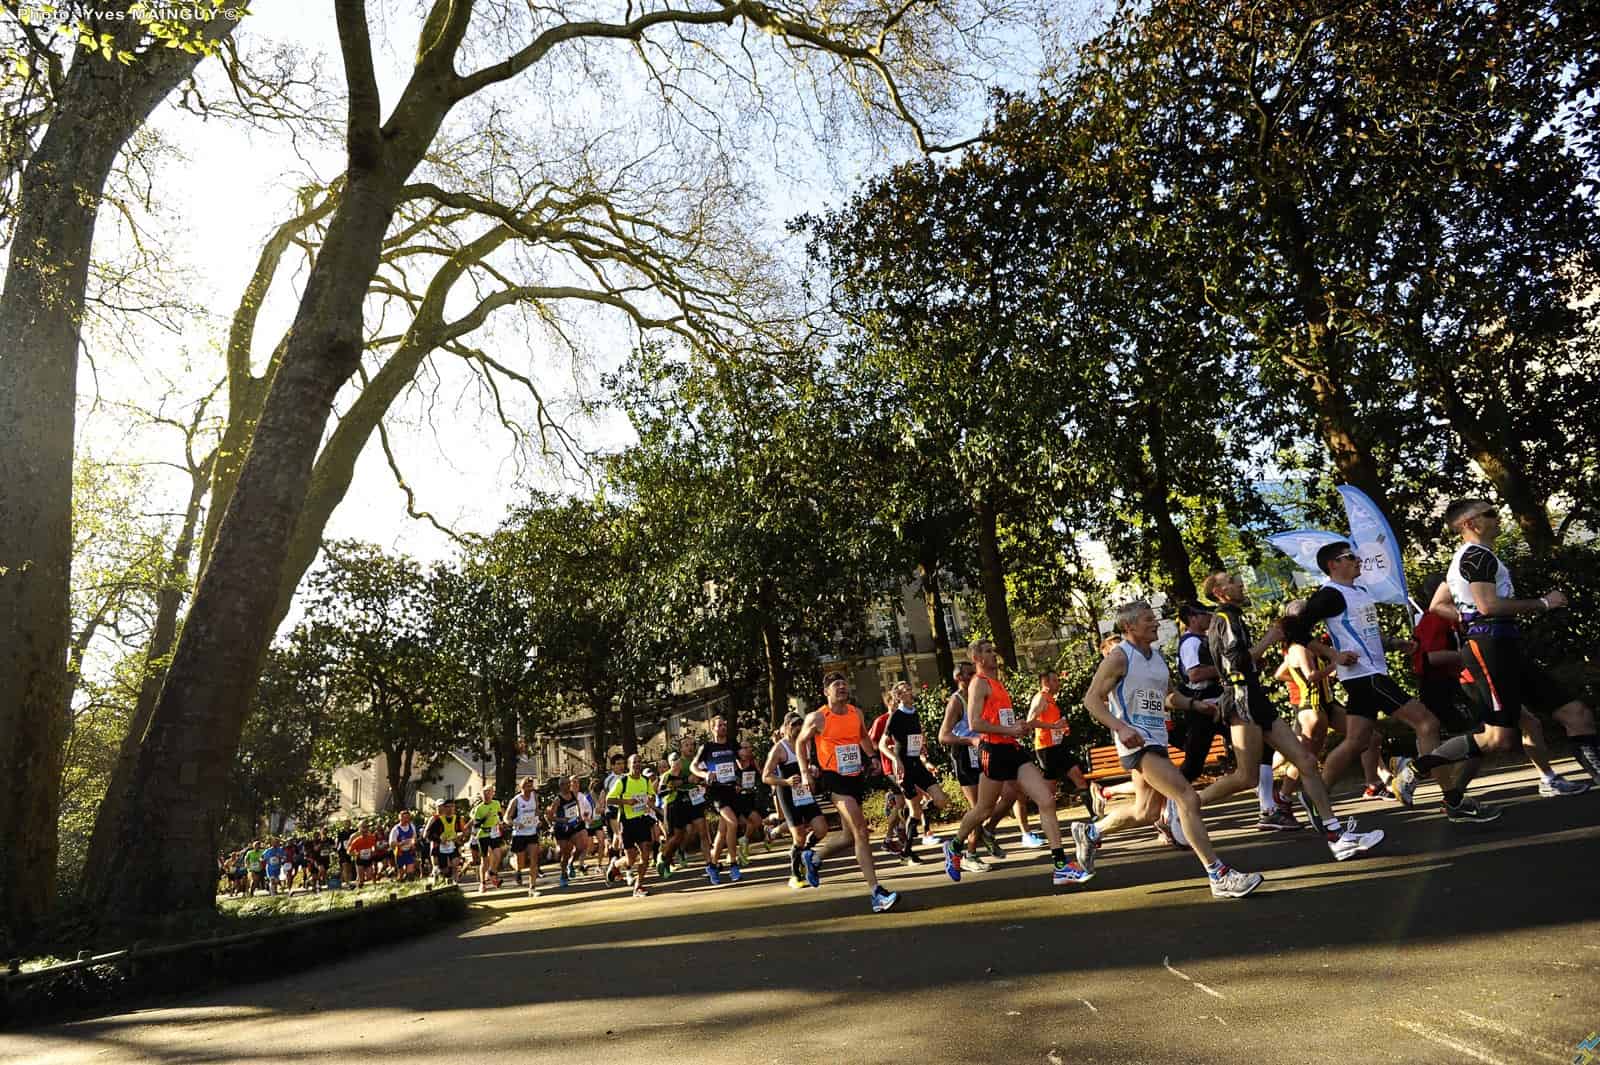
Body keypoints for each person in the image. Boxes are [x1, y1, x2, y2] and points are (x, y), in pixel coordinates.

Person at [1407, 500, 1600, 801]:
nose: (1498, 518)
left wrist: (1468, 617)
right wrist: (1543, 603)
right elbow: (1488, 606)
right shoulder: (1476, 557)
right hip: (1490, 649)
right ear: (1470, 524)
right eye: (1490, 514)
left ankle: (1564, 778)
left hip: (1503, 645)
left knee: (1576, 714)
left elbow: (1437, 605)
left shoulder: (1469, 558)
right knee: (1498, 738)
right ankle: (1417, 768)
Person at [1072, 600, 1263, 898]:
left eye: (1154, 618)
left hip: (1156, 739)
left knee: (1146, 812)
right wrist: (1122, 728)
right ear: (1129, 626)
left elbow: (1169, 697)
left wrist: (1196, 705)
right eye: (1148, 619)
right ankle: (1218, 874)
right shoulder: (1119, 657)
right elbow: (1091, 700)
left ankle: (1090, 832)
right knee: (1186, 797)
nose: (1155, 623)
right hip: (1137, 742)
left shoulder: (1157, 658)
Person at [1192, 571, 1384, 861]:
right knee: (1247, 777)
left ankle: (1335, 835)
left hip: (1255, 697)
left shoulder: (1233, 617)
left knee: (1306, 760)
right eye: (1232, 580)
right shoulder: (1225, 619)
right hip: (1241, 699)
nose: (1241, 583)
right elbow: (1238, 665)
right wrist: (1271, 638)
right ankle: (1186, 805)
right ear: (1219, 592)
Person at [1299, 542, 1493, 823]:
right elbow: (1294, 629)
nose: (1358, 560)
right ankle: (1451, 799)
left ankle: (1313, 795)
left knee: (1356, 741)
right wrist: (1333, 655)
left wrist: (1394, 643)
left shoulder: (1358, 591)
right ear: (1333, 564)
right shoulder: (1330, 595)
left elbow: (1363, 634)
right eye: (1350, 557)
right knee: (1427, 723)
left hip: (1368, 674)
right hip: (1367, 676)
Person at [1416, 570, 1589, 799]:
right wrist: (1468, 653)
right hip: (1469, 678)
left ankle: (1546, 778)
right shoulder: (1435, 619)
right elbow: (1428, 657)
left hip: (1478, 673)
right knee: (1494, 738)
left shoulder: (1458, 612)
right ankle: (1421, 773)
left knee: (1511, 731)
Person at [941, 640, 1088, 888]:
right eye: (987, 651)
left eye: (993, 650)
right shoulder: (979, 683)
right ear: (977, 657)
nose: (993, 654)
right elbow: (975, 723)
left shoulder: (997, 683)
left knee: (1046, 799)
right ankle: (954, 846)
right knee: (984, 809)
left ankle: (1061, 867)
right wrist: (1008, 729)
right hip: (993, 751)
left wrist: (1019, 726)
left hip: (1012, 748)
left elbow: (1000, 719)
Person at [797, 672, 900, 912]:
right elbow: (801, 742)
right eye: (836, 685)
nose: (842, 687)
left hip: (854, 777)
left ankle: (813, 858)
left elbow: (863, 736)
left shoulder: (856, 713)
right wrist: (804, 772)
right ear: (826, 692)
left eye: (844, 684)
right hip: (833, 780)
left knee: (849, 836)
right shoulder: (818, 717)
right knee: (861, 831)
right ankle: (876, 893)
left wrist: (872, 757)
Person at [935, 661, 1000, 870]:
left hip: (984, 751)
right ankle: (969, 855)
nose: (974, 676)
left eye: (975, 673)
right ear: (959, 678)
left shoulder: (979, 695)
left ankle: (987, 833)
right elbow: (943, 736)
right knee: (978, 808)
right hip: (964, 755)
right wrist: (969, 740)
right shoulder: (956, 701)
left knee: (1003, 797)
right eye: (970, 674)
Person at [1025, 668, 1095, 832]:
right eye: (1055, 680)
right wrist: (1053, 726)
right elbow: (1030, 721)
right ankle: (1047, 824)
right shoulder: (1040, 698)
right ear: (1046, 682)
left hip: (1058, 746)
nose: (1059, 683)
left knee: (1078, 776)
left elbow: (1051, 723)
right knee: (1049, 790)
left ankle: (1094, 816)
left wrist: (1061, 729)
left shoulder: (1051, 699)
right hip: (1046, 748)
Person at [764, 712, 829, 889]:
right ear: (785, 727)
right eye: (793, 725)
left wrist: (812, 770)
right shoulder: (779, 748)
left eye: (800, 724)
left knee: (821, 829)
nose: (798, 728)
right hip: (787, 794)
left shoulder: (806, 744)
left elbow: (808, 766)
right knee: (798, 836)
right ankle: (795, 874)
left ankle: (805, 853)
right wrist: (785, 781)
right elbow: (765, 776)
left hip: (805, 793)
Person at [692, 716, 745, 884]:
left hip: (731, 790)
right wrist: (705, 774)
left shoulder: (732, 744)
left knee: (722, 832)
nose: (723, 727)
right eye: (720, 725)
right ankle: (733, 864)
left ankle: (713, 865)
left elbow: (740, 765)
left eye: (725, 725)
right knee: (733, 823)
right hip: (716, 792)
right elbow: (694, 766)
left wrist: (738, 776)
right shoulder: (707, 747)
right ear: (712, 728)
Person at [657, 740, 713, 878]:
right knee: (677, 837)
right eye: (687, 745)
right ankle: (664, 857)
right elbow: (665, 787)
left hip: (695, 800)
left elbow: (703, 779)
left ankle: (710, 864)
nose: (690, 747)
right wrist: (687, 780)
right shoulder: (679, 764)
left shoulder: (698, 763)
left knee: (703, 832)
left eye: (692, 745)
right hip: (679, 802)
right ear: (681, 748)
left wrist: (704, 783)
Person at [607, 753, 658, 898]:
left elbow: (652, 795)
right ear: (629, 765)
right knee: (631, 859)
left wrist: (651, 798)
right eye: (633, 762)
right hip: (627, 822)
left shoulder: (645, 780)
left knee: (646, 854)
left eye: (638, 762)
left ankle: (638, 886)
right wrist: (626, 802)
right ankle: (615, 865)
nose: (636, 764)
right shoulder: (622, 781)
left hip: (642, 820)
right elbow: (609, 800)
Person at [546, 776, 594, 888]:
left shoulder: (573, 795)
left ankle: (571, 864)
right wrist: (561, 820)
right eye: (564, 784)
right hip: (562, 828)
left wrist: (579, 817)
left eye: (568, 783)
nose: (567, 786)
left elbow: (576, 806)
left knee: (582, 846)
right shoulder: (557, 800)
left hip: (574, 825)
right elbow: (550, 817)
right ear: (560, 786)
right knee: (566, 853)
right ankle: (563, 874)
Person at [732, 742, 768, 866]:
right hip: (737, 799)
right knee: (753, 823)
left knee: (752, 825)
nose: (748, 750)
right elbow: (730, 778)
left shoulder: (753, 762)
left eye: (749, 747)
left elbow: (762, 774)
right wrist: (736, 786)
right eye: (744, 748)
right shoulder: (734, 763)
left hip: (750, 797)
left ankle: (741, 851)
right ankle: (741, 850)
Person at [507, 777, 544, 896]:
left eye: (531, 786)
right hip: (519, 834)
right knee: (521, 863)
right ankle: (517, 869)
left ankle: (532, 888)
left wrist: (538, 820)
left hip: (532, 832)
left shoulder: (535, 797)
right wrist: (516, 824)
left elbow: (537, 811)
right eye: (527, 786)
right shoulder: (516, 800)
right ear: (522, 787)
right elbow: (506, 818)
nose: (530, 789)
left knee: (534, 859)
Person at [470, 786, 506, 892]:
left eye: (489, 792)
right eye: (484, 793)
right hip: (483, 835)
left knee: (498, 855)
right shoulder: (479, 808)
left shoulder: (496, 803)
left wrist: (501, 822)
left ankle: (491, 873)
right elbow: (476, 824)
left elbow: (499, 813)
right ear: (482, 795)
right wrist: (485, 817)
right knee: (484, 861)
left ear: (492, 794)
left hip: (494, 833)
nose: (486, 795)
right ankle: (482, 883)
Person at [426, 799, 468, 885]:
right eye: (447, 807)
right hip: (441, 847)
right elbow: (428, 834)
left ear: (454, 808)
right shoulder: (438, 820)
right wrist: (440, 840)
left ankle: (455, 884)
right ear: (444, 809)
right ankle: (439, 880)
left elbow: (465, 832)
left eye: (452, 807)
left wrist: (460, 837)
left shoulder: (458, 819)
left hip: (453, 846)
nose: (450, 809)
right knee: (444, 870)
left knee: (455, 864)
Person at [389, 810, 420, 882]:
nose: (406, 819)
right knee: (401, 873)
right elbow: (391, 844)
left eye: (408, 817)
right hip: (399, 852)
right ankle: (398, 882)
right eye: (404, 818)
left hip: (409, 851)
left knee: (410, 872)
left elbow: (414, 837)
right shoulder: (396, 829)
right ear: (400, 818)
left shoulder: (411, 826)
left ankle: (410, 884)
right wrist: (401, 843)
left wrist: (413, 843)